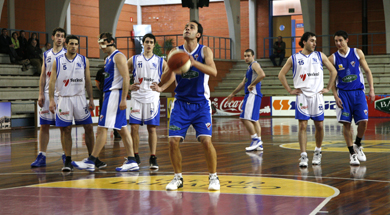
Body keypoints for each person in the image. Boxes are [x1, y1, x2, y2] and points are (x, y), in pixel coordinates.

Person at [163, 20, 220, 191]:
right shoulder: (175, 52)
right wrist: (160, 85)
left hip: (201, 104)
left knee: (205, 141)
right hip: (180, 104)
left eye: (191, 27)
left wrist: (193, 63)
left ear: (198, 35)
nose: (187, 28)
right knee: (173, 142)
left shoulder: (205, 51)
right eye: (185, 26)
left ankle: (213, 177)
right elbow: (168, 74)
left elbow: (214, 72)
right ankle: (177, 178)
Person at [72, 32, 139, 172]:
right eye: (100, 43)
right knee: (123, 130)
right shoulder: (108, 59)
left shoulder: (118, 56)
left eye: (103, 43)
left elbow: (126, 77)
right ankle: (132, 160)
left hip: (114, 95)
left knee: (102, 128)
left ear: (111, 41)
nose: (101, 46)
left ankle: (91, 160)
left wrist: (123, 98)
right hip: (111, 94)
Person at [278, 32, 337, 167]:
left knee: (320, 125)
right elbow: (281, 74)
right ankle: (303, 156)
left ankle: (317, 151)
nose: (314, 43)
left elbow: (334, 71)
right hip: (302, 95)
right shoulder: (294, 58)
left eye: (315, 41)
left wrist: (328, 88)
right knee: (303, 125)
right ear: (304, 42)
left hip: (317, 95)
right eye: (311, 40)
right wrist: (289, 90)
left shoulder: (320, 56)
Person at [48, 35, 102, 171]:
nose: (74, 46)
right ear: (66, 44)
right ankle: (67, 160)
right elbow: (52, 81)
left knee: (89, 127)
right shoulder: (58, 61)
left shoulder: (84, 60)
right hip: (64, 98)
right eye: (71, 43)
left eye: (76, 44)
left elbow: (88, 80)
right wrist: (51, 99)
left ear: (78, 46)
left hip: (80, 98)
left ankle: (92, 158)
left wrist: (90, 98)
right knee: (66, 130)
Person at [127, 33, 173, 170]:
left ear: (153, 45)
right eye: (146, 41)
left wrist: (162, 88)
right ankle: (135, 155)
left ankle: (153, 157)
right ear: (143, 43)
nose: (148, 44)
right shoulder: (134, 59)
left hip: (152, 97)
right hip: (136, 96)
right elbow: (121, 71)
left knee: (151, 128)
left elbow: (173, 73)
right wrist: (128, 86)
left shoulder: (160, 61)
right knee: (134, 127)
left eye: (151, 42)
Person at [329, 30, 375, 165]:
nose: (338, 43)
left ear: (347, 40)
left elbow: (367, 71)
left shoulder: (357, 53)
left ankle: (358, 144)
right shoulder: (333, 58)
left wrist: (371, 89)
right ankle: (352, 154)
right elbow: (332, 78)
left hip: (358, 92)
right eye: (336, 41)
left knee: (364, 121)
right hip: (343, 94)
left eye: (340, 40)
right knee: (346, 124)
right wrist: (335, 95)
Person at [31, 28, 67, 168]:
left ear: (64, 39)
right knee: (44, 126)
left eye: (62, 36)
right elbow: (42, 76)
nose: (59, 38)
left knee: (64, 127)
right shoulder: (46, 54)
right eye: (57, 35)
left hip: (62, 95)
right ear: (52, 37)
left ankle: (66, 155)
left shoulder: (67, 54)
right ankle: (42, 155)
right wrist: (40, 93)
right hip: (47, 94)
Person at [227, 49, 265, 152]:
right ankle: (259, 144)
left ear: (253, 56)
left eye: (248, 55)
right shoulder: (249, 68)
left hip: (252, 94)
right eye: (244, 56)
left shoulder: (254, 64)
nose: (246, 58)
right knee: (254, 120)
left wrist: (252, 84)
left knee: (243, 118)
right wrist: (233, 93)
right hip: (255, 95)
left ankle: (255, 139)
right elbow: (243, 83)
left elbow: (262, 74)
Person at [95, 67, 121, 139]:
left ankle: (116, 132)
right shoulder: (100, 71)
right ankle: (101, 132)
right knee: (102, 113)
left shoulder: (115, 70)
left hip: (114, 93)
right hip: (104, 93)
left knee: (115, 113)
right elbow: (97, 83)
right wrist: (102, 90)